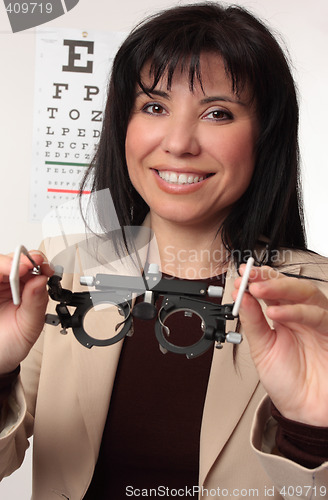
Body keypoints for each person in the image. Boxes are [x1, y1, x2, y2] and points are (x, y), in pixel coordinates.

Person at [1, 2, 328, 499]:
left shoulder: (315, 301)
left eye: (218, 113)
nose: (178, 143)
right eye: (154, 106)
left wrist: (311, 430)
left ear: (265, 137)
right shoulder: (60, 270)